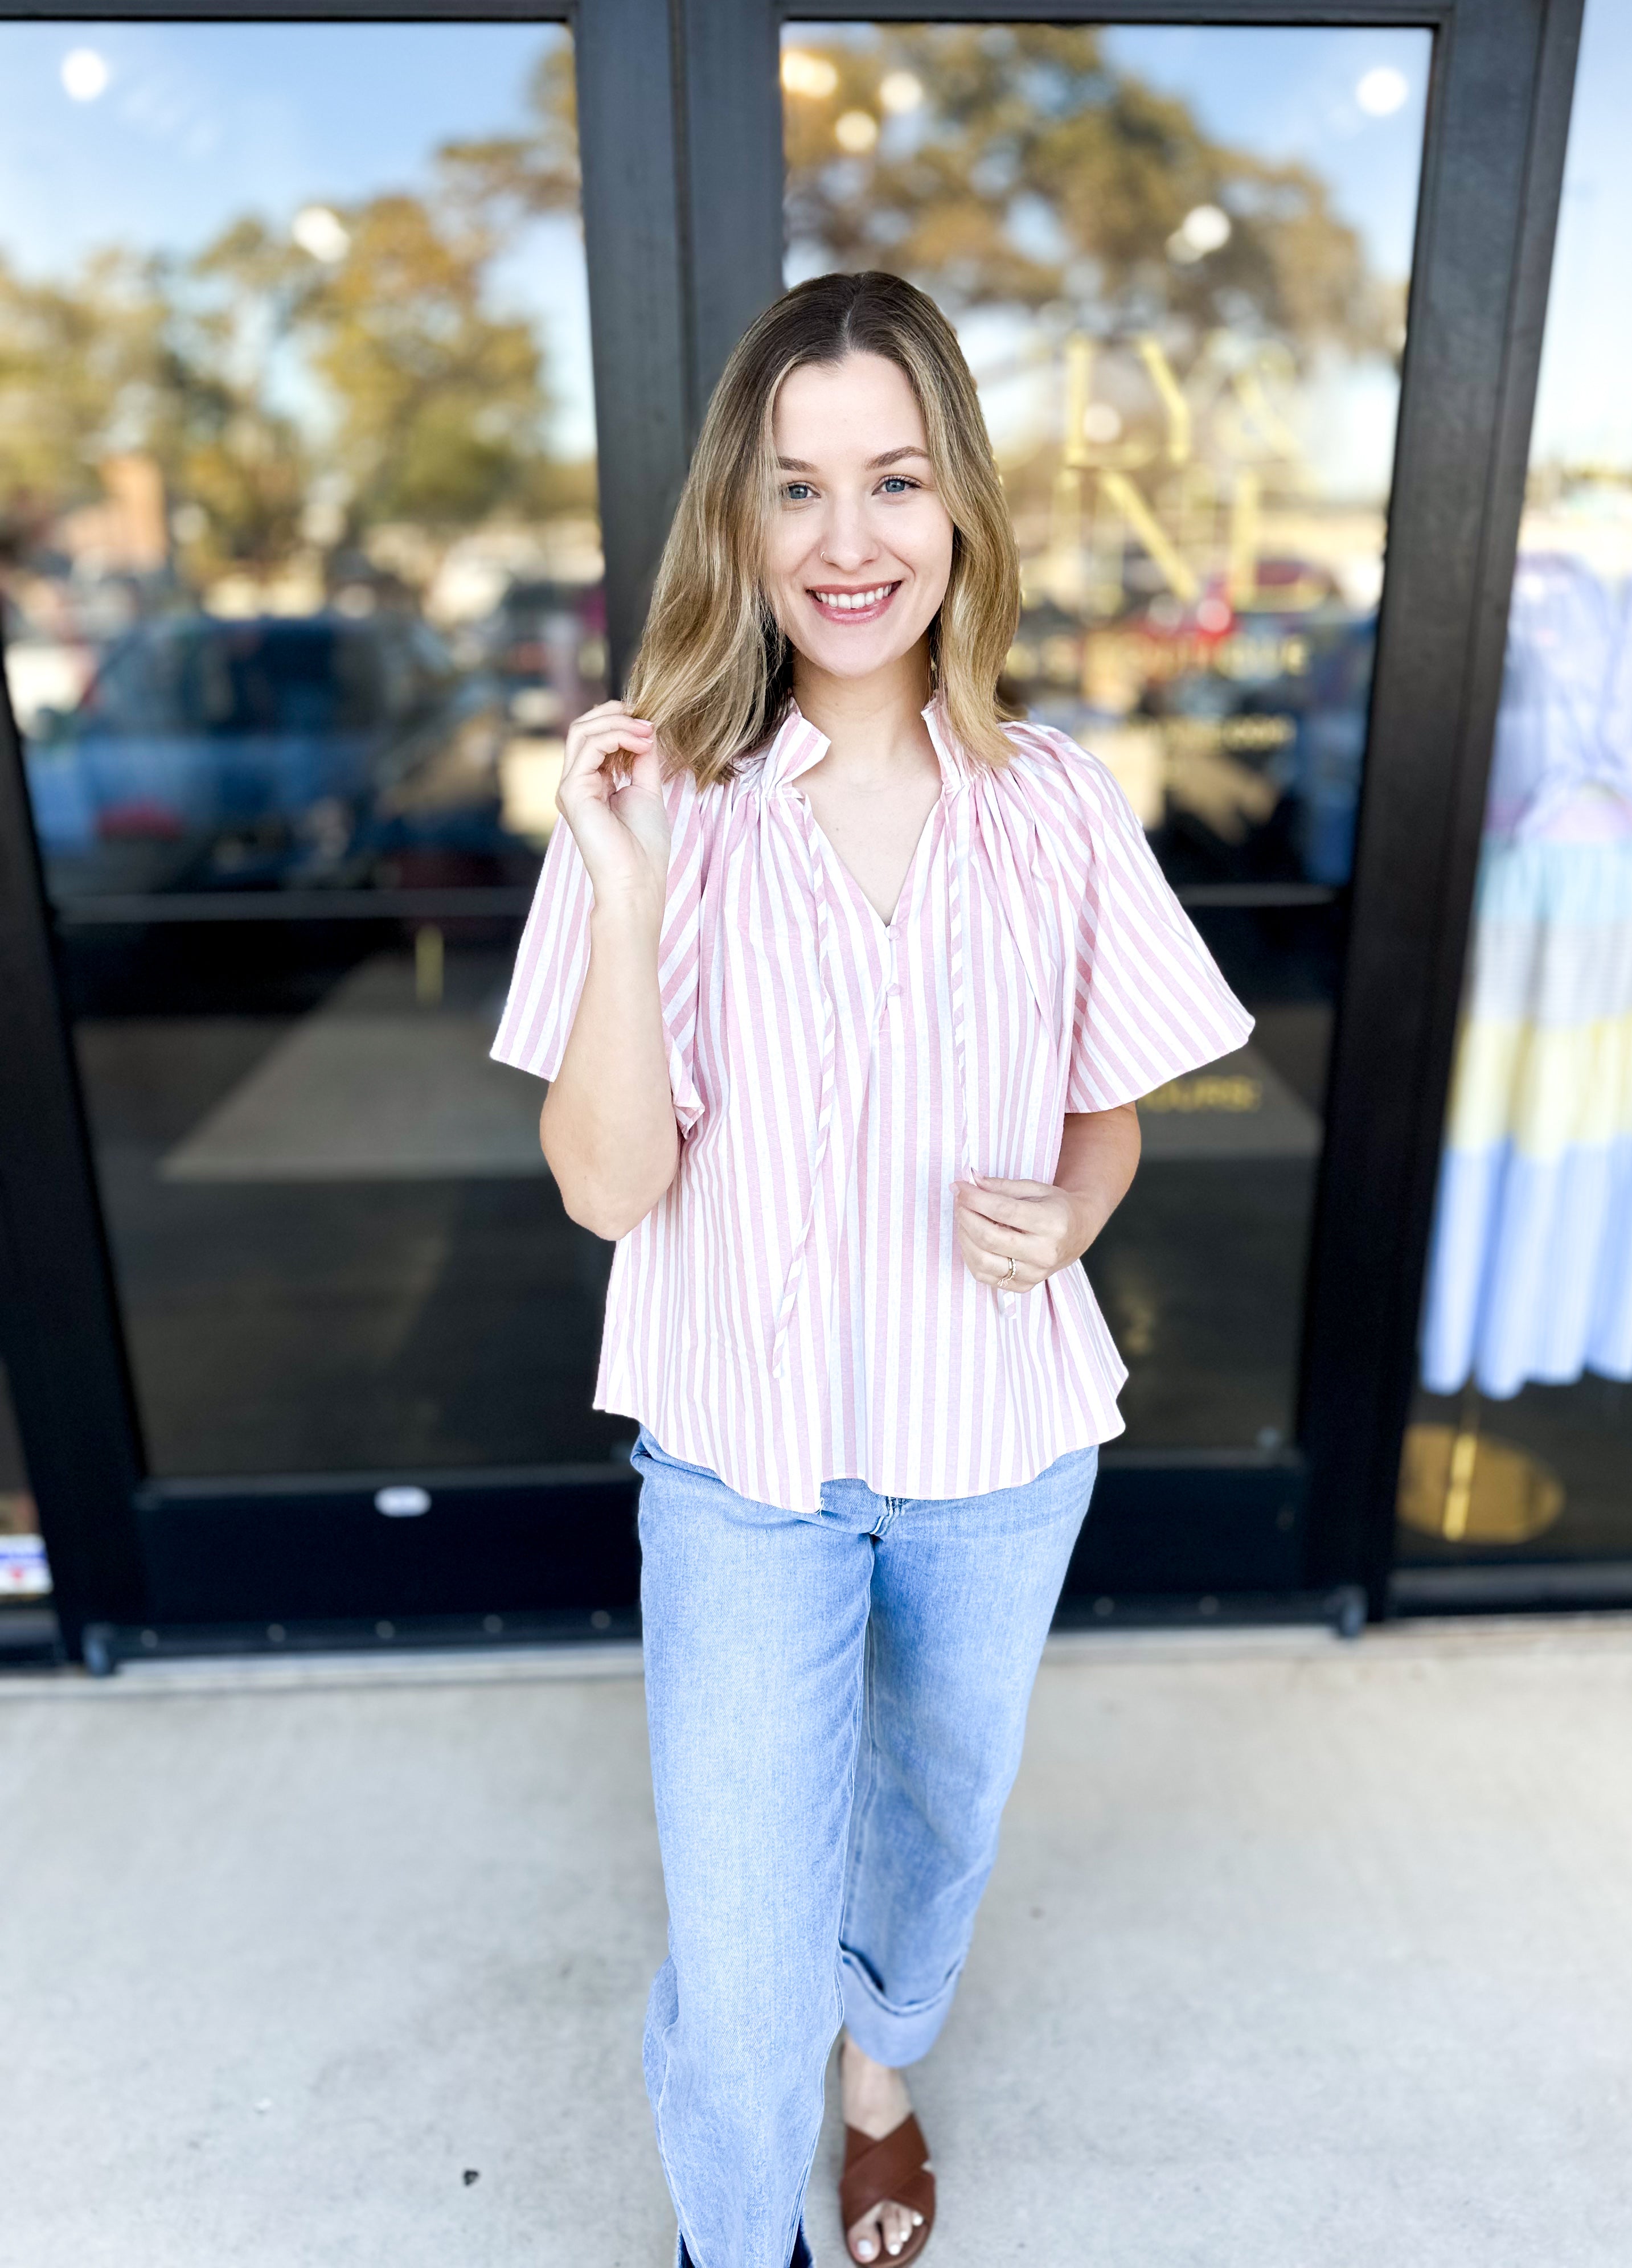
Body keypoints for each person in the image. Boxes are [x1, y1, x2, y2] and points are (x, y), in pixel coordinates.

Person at [492, 272, 1250, 2268]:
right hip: (743, 1466)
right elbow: (602, 1182)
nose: (848, 543)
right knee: (741, 1955)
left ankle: (885, 2075)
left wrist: (1078, 1215)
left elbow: (1114, 1107)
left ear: (961, 510)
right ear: (738, 522)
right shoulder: (650, 804)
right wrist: (635, 900)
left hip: (998, 1442)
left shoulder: (1063, 800)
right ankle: (740, 2238)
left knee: (932, 1839)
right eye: (798, 489)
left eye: (893, 482)